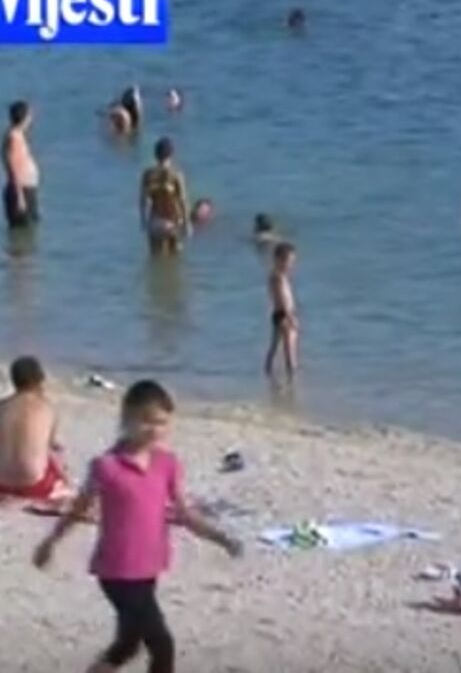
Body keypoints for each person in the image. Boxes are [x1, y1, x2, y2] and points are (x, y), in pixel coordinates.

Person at [33, 380, 242, 673]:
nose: (153, 429)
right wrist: (50, 542)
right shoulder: (106, 465)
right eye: (145, 420)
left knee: (127, 644)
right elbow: (78, 508)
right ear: (126, 417)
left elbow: (184, 514)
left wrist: (221, 538)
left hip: (148, 568)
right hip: (115, 572)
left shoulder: (167, 463)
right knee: (162, 644)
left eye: (161, 422)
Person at [0, 357, 69, 500]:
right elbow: (49, 445)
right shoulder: (47, 408)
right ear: (39, 380)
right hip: (34, 485)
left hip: (2, 483)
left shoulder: (2, 406)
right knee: (56, 454)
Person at [139, 137, 190, 256]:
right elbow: (182, 200)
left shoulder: (147, 174)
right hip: (173, 221)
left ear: (155, 155)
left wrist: (143, 221)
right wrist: (187, 224)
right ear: (171, 154)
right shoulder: (176, 174)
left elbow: (143, 200)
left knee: (155, 258)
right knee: (175, 261)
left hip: (155, 222)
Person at [3, 100, 39, 229]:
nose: (31, 118)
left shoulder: (16, 134)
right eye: (29, 115)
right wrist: (20, 197)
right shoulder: (14, 137)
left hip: (25, 189)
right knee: (25, 230)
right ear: (23, 117)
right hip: (21, 190)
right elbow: (13, 168)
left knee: (28, 231)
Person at [265, 243, 300, 379]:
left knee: (274, 347)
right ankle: (292, 377)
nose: (290, 265)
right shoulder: (278, 278)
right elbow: (282, 298)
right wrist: (290, 317)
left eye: (292, 262)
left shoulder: (278, 277)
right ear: (278, 260)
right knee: (290, 350)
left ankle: (269, 374)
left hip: (279, 315)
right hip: (284, 315)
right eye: (287, 261)